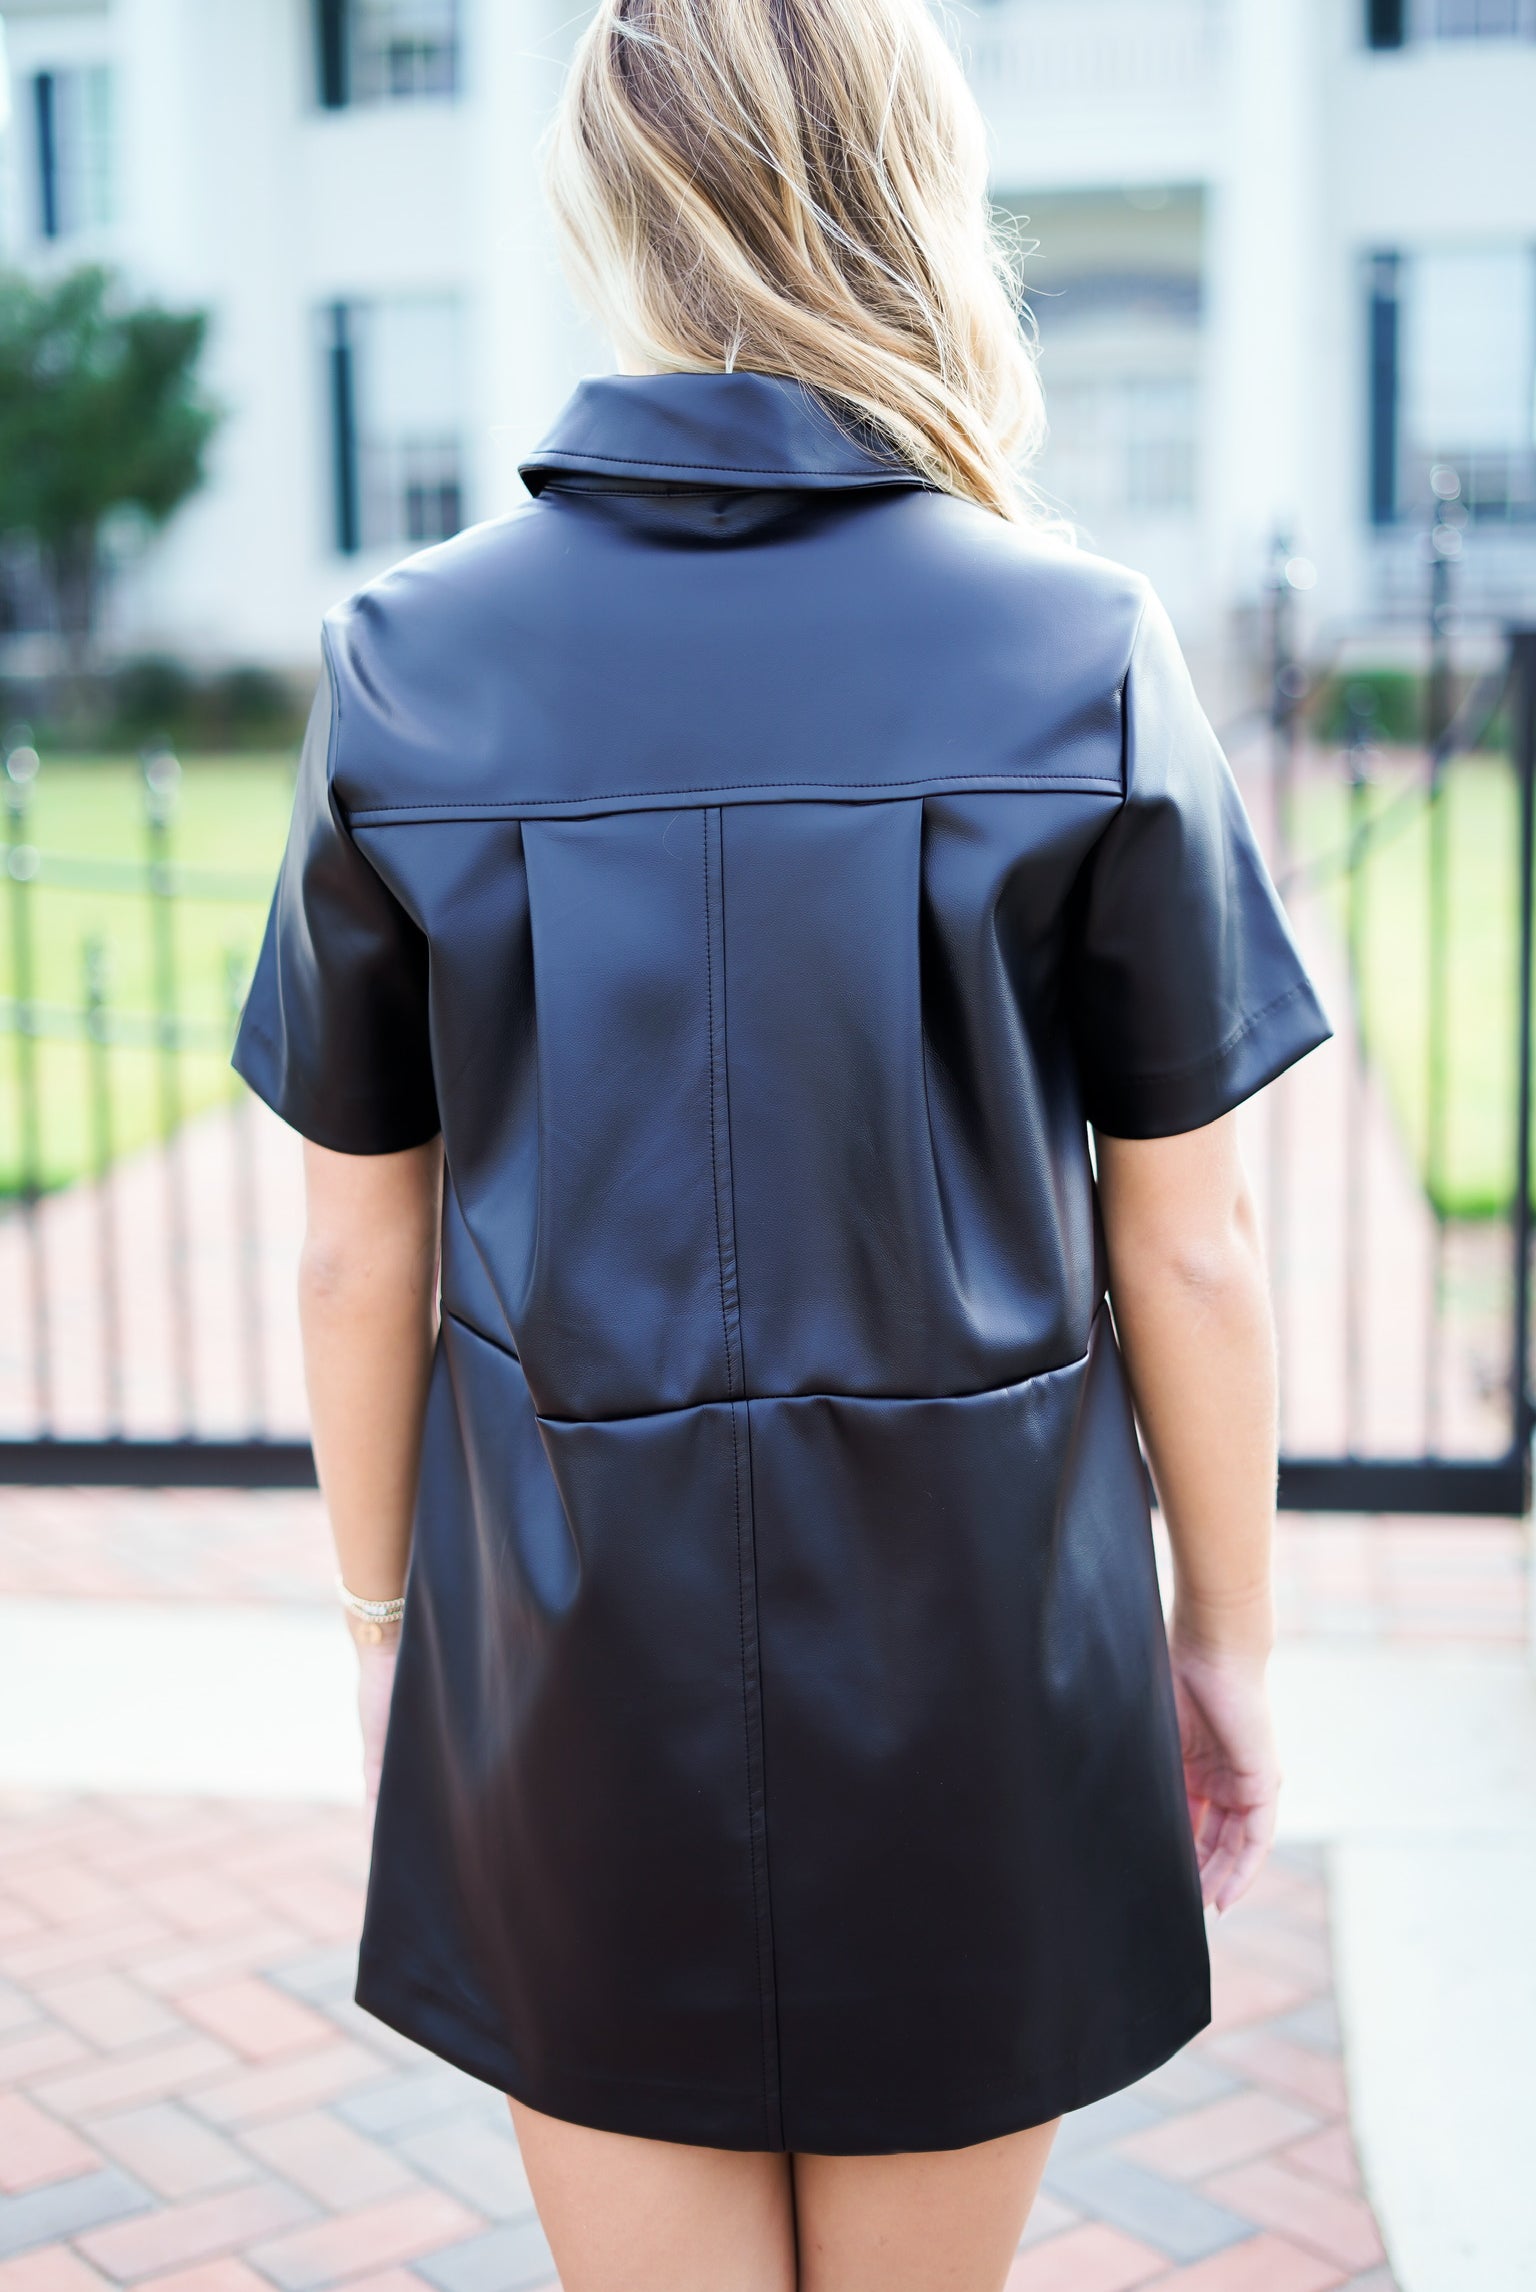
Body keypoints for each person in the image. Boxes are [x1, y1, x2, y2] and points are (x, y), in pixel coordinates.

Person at [233, 0, 1330, 2284]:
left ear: (615, 208)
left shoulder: (408, 658)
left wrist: (384, 1631)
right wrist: (1224, 1640)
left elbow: (356, 1254)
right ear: (916, 187)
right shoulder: (1080, 647)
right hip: (983, 1648)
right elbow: (1194, 1251)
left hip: (570, 1652)